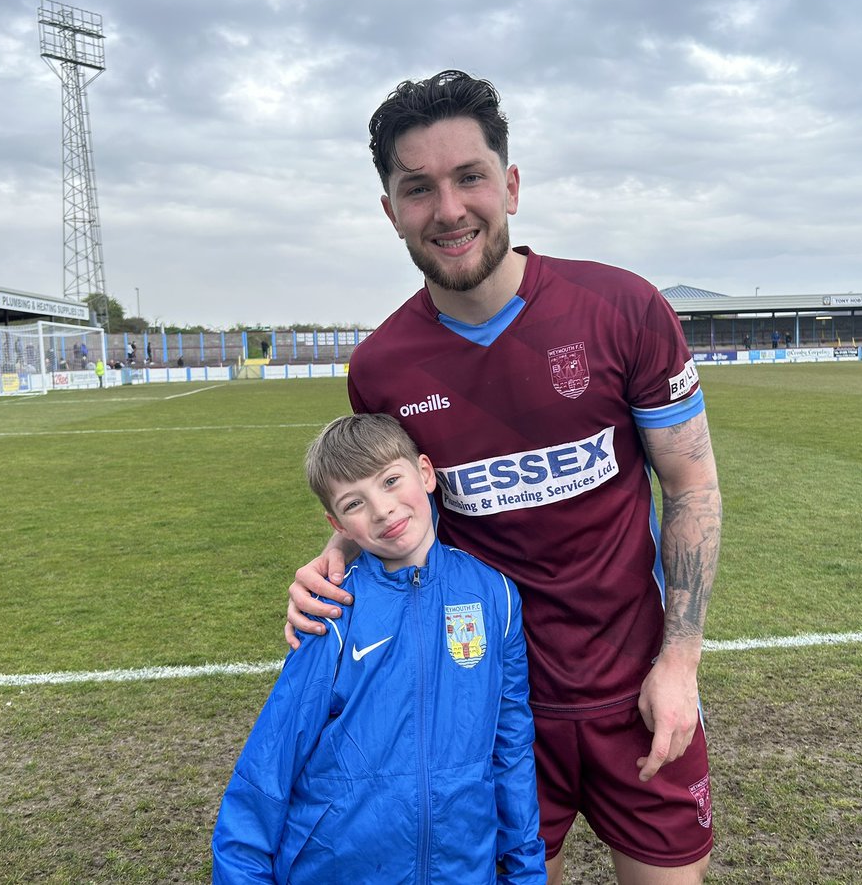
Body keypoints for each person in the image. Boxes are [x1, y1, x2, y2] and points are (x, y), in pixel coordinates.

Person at [287, 70, 722, 884]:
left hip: (636, 688)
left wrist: (680, 662)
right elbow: (397, 505)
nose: (449, 209)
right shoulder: (382, 366)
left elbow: (690, 483)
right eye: (418, 188)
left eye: (470, 177)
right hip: (485, 706)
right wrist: (332, 563)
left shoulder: (621, 308)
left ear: (511, 184)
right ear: (391, 212)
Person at [213, 414, 544, 883]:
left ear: (425, 473)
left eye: (391, 480)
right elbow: (268, 767)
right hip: (339, 867)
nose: (383, 509)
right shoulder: (330, 610)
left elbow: (510, 748)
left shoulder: (495, 596)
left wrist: (525, 871)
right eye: (355, 502)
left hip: (462, 868)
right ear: (337, 524)